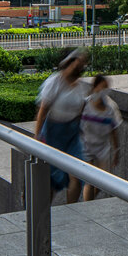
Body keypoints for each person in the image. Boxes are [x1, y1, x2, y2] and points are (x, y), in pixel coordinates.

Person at [34, 49, 89, 203]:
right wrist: (37, 136)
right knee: (51, 177)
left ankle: (72, 208)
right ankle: (44, 210)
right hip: (53, 132)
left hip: (72, 134)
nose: (80, 68)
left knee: (76, 173)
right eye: (77, 64)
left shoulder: (81, 86)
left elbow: (81, 111)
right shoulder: (54, 82)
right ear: (68, 63)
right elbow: (43, 110)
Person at [81, 73, 122, 201]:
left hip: (102, 148)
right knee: (89, 180)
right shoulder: (85, 104)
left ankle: (90, 200)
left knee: (101, 181)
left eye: (106, 87)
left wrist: (116, 150)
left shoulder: (111, 108)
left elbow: (114, 130)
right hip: (85, 145)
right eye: (102, 87)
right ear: (95, 87)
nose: (104, 90)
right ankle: (87, 205)